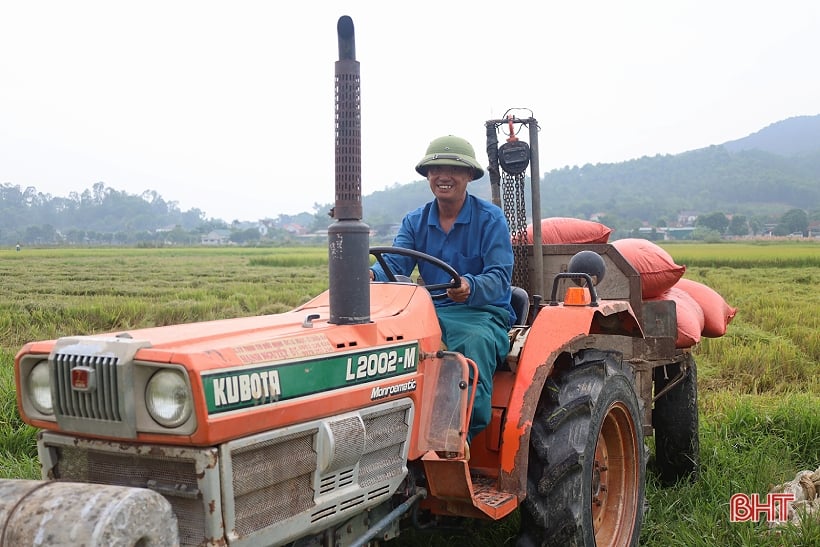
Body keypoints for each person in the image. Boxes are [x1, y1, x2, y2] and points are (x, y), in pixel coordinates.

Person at [369, 135, 515, 446]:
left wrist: (469, 285)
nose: (443, 176)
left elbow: (499, 277)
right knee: (385, 339)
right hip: (430, 311)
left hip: (480, 313)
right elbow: (396, 264)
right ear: (427, 176)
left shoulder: (490, 220)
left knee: (471, 344)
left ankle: (458, 434)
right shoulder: (415, 221)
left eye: (453, 169)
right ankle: (387, 430)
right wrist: (370, 275)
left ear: (469, 177)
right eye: (435, 169)